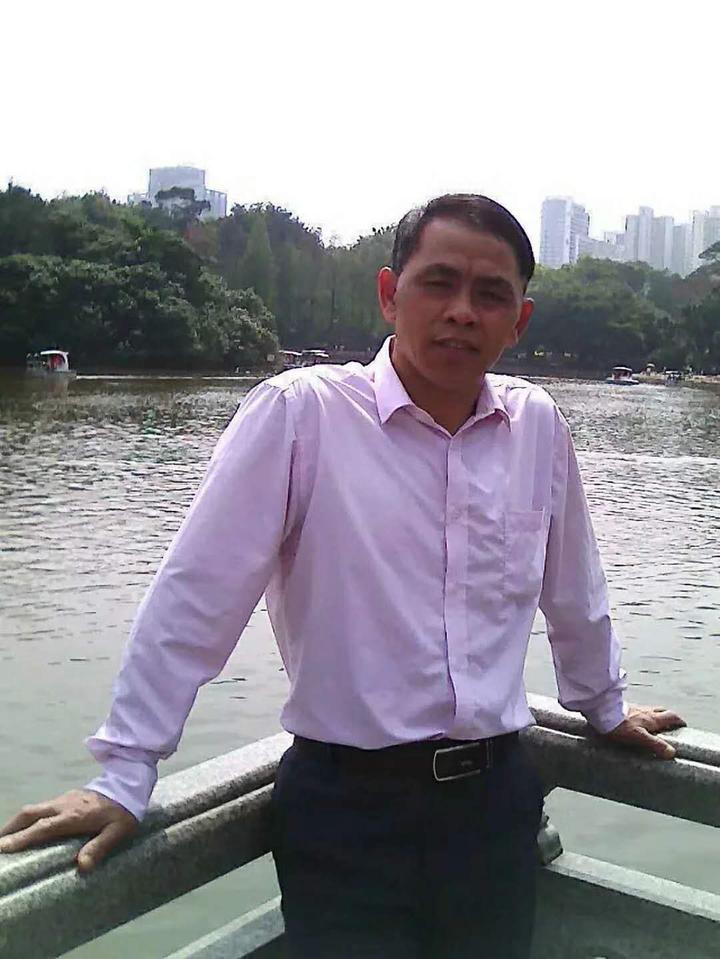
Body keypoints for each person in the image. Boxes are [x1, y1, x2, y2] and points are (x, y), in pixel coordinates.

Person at [0, 194, 685, 958]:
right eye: (439, 283)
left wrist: (604, 705)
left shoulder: (538, 428)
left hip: (495, 806)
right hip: (347, 811)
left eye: (491, 294)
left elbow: (575, 591)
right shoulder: (302, 415)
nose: (462, 311)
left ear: (518, 321)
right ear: (390, 294)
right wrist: (125, 774)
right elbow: (194, 600)